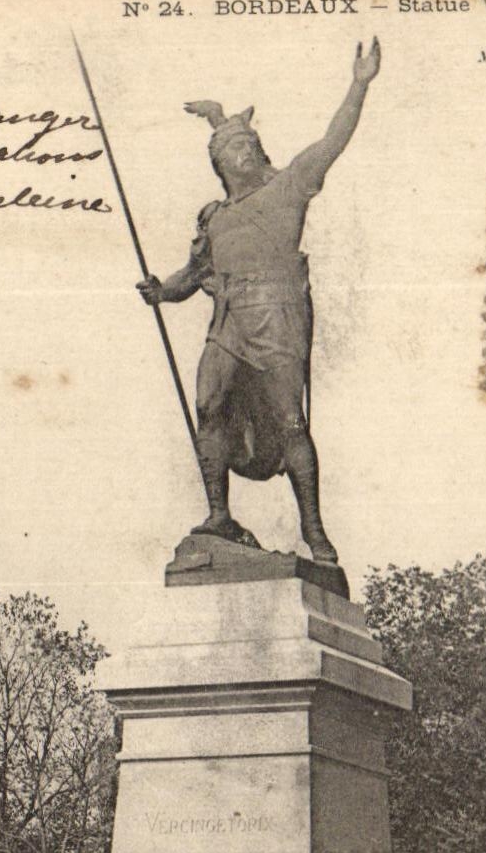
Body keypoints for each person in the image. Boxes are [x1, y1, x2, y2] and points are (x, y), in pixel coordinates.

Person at [137, 40, 381, 565]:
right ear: (220, 164)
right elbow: (191, 276)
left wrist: (359, 84)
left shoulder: (288, 189)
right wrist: (162, 292)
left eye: (249, 146)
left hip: (278, 317)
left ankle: (314, 532)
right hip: (227, 322)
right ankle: (219, 515)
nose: (243, 153)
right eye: (232, 151)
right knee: (209, 405)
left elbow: (331, 142)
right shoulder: (215, 218)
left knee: (291, 421)